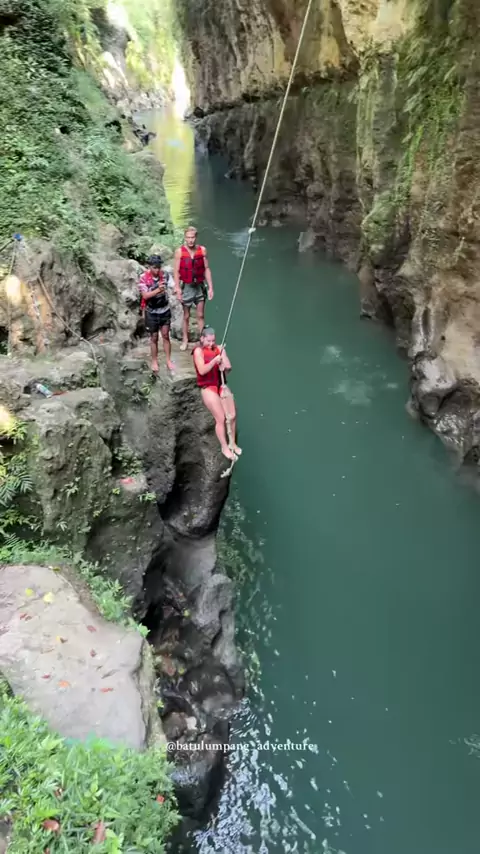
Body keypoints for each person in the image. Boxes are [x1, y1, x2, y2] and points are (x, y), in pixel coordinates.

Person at [193, 327, 241, 461]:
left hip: (221, 385)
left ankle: (232, 443)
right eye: (208, 341)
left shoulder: (220, 349)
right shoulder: (198, 351)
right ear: (202, 339)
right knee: (221, 418)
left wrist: (223, 365)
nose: (211, 344)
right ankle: (224, 447)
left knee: (232, 415)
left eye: (213, 341)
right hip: (208, 387)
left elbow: (229, 368)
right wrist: (214, 361)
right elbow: (202, 370)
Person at [173, 226, 214, 351]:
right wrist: (177, 288)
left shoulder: (202, 250)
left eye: (192, 237)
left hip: (199, 286)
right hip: (187, 287)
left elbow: (206, 269)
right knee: (186, 316)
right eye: (188, 237)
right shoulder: (180, 252)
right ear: (185, 238)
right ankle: (185, 340)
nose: (190, 240)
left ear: (196, 237)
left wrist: (211, 287)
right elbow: (176, 271)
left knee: (200, 315)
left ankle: (203, 341)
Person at [138, 255, 174, 373]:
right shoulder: (143, 278)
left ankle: (168, 360)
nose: (157, 270)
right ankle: (154, 360)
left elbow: (174, 286)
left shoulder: (165, 275)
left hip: (164, 310)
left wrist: (177, 290)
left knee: (165, 335)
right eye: (154, 267)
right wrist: (158, 289)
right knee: (154, 337)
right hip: (151, 312)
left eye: (159, 267)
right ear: (149, 267)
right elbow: (145, 296)